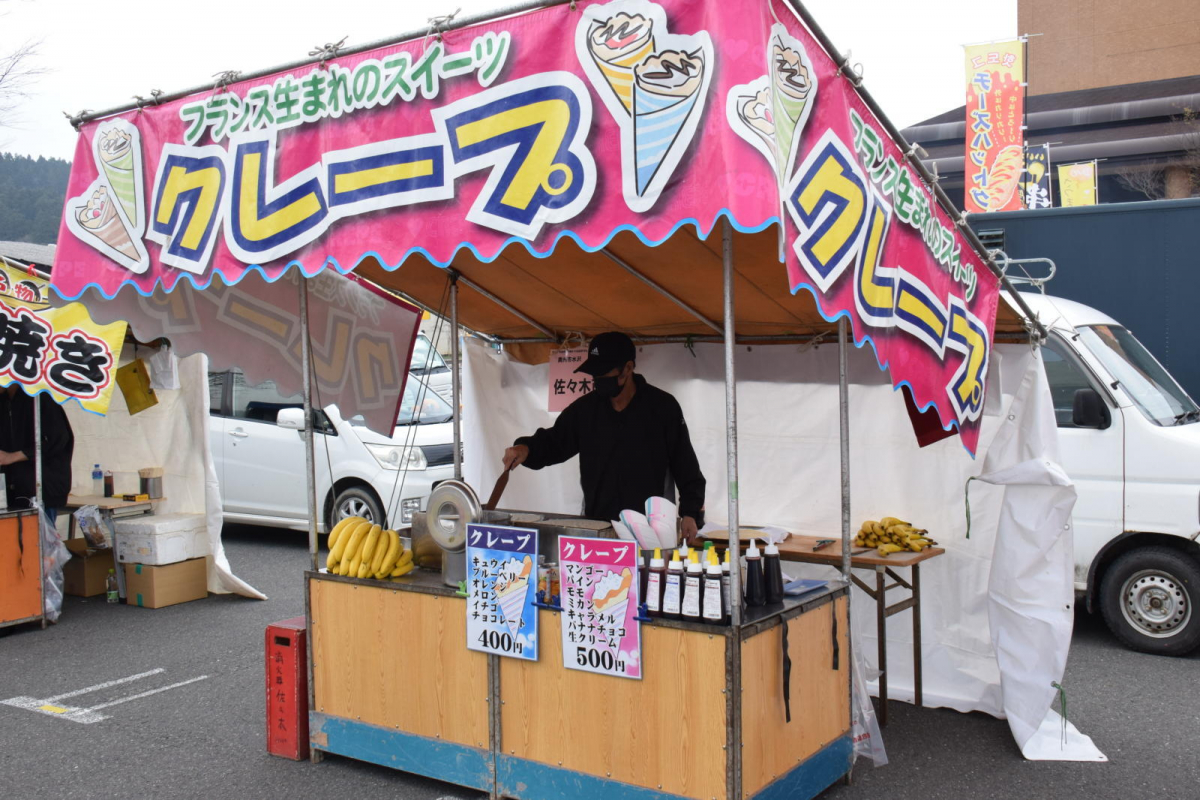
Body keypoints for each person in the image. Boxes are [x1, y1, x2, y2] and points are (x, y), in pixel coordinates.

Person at [502, 332, 705, 539]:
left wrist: (690, 512)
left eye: (604, 373)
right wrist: (526, 448)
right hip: (598, 527)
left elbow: (686, 465)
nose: (597, 380)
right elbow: (555, 441)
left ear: (627, 368)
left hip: (652, 530)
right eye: (594, 374)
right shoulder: (585, 410)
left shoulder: (662, 408)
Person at [0, 385, 75, 523]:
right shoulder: (3, 400)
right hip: (12, 491)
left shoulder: (40, 396)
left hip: (43, 488)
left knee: (41, 540)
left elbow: (57, 439)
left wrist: (13, 456)